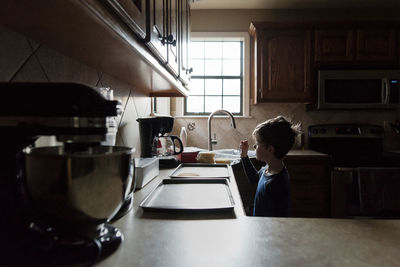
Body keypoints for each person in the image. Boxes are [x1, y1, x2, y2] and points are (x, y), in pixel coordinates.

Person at [239, 116, 300, 217]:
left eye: (257, 144)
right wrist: (244, 156)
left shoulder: (276, 184)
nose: (254, 146)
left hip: (269, 230)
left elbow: (279, 219)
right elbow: (253, 178)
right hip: (262, 225)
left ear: (270, 149)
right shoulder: (268, 169)